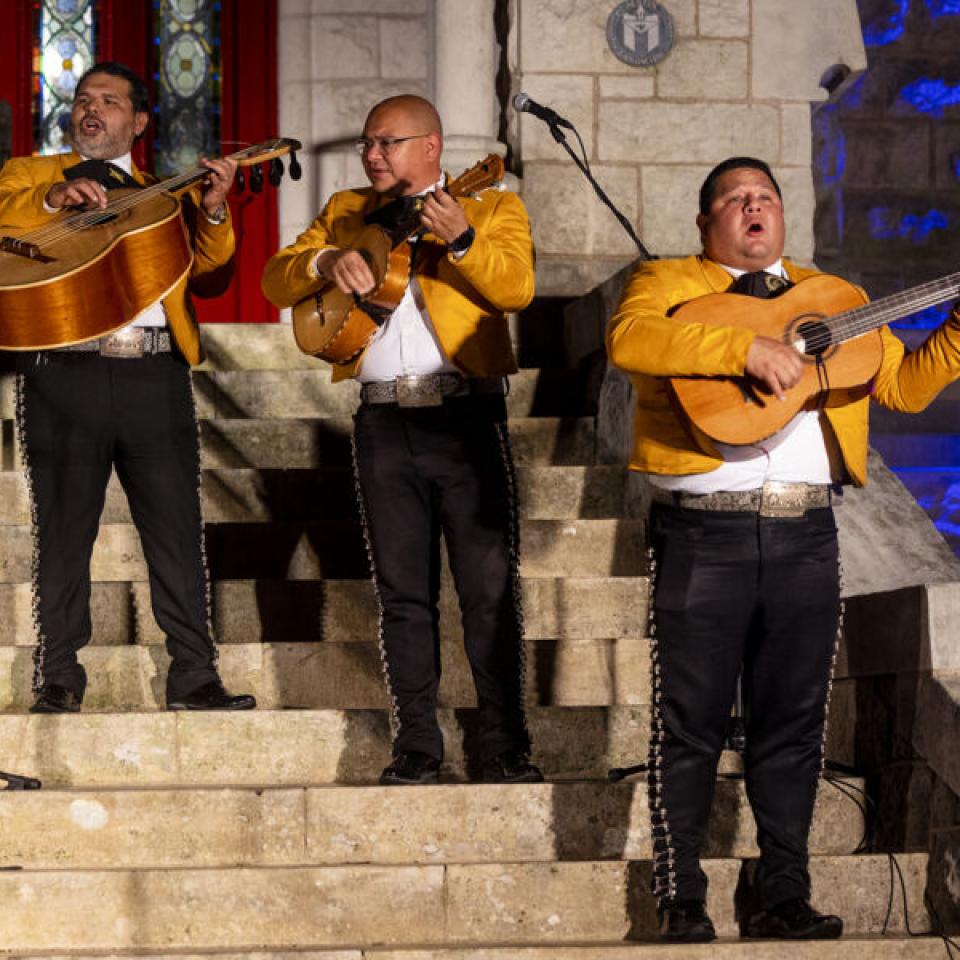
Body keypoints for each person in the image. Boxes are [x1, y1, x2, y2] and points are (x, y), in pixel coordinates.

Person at [607, 156, 960, 942]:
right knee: (690, 720)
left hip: (807, 531)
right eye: (735, 199)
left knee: (795, 722)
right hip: (703, 533)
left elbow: (901, 386)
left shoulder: (836, 299)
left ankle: (782, 892)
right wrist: (743, 351)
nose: (753, 207)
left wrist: (959, 331)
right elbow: (631, 340)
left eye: (765, 196)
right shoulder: (665, 281)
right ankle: (681, 897)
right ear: (707, 223)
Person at [262, 94, 540, 785]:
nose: (372, 155)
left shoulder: (492, 206)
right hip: (383, 420)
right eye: (367, 144)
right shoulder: (347, 213)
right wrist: (326, 263)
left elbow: (518, 287)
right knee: (401, 592)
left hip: (465, 417)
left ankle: (504, 746)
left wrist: (464, 239)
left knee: (488, 588)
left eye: (387, 143)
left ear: (431, 148)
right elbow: (276, 278)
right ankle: (417, 743)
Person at [0, 61, 256, 714]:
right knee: (64, 533)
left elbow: (208, 274)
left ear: (137, 122)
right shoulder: (29, 174)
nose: (92, 109)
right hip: (65, 372)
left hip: (154, 373)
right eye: (84, 99)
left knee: (175, 529)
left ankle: (194, 676)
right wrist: (54, 200)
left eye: (110, 101)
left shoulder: (163, 194)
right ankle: (59, 675)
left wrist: (216, 208)